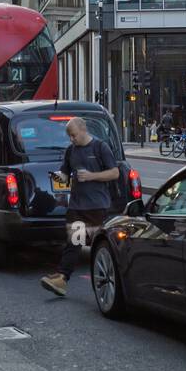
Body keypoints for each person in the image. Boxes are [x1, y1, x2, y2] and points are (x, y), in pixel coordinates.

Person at [40, 117, 120, 298]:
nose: (71, 139)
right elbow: (66, 173)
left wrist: (92, 176)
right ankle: (61, 279)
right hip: (77, 205)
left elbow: (114, 172)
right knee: (73, 242)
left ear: (83, 130)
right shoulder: (71, 151)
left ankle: (107, 278)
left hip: (96, 206)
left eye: (73, 135)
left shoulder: (100, 148)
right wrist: (59, 177)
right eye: (69, 136)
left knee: (98, 245)